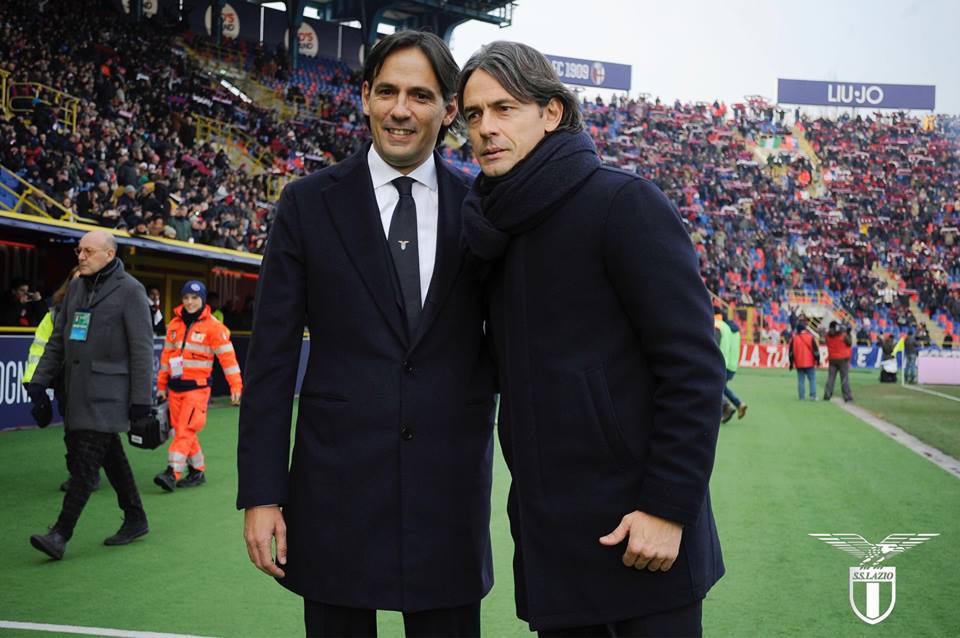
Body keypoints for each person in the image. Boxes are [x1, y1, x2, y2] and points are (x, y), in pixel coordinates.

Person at [459, 41, 725, 636]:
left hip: (642, 533)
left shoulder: (623, 202)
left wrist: (666, 508)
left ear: (551, 112)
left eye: (504, 108)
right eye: (473, 114)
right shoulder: (489, 228)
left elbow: (693, 369)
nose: (485, 128)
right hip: (552, 543)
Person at [236, 30, 497, 637]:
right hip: (334, 492)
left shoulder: (484, 207)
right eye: (387, 92)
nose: (400, 109)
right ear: (364, 97)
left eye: (420, 96)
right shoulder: (306, 204)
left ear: (448, 110)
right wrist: (262, 494)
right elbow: (271, 361)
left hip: (449, 495)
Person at [25, 230, 153, 560]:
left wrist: (142, 401)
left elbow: (141, 350)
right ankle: (136, 517)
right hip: (77, 391)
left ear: (109, 255)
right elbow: (57, 340)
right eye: (79, 251)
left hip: (110, 394)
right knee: (110, 455)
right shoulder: (77, 287)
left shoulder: (131, 291)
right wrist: (39, 382)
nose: (81, 256)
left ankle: (60, 534)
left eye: (88, 251)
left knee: (84, 465)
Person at [154, 280, 242, 491]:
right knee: (182, 431)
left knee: (185, 430)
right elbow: (166, 358)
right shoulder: (174, 325)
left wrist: (236, 386)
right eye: (186, 297)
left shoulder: (215, 327)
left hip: (198, 390)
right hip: (175, 389)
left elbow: (228, 360)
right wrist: (161, 385)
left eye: (195, 298)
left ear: (202, 300)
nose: (190, 302)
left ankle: (172, 472)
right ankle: (197, 470)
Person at [22, 267, 102, 492]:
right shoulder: (55, 314)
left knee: (95, 431)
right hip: (66, 382)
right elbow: (40, 348)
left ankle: (88, 471)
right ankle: (80, 472)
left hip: (96, 381)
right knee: (73, 430)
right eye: (75, 280)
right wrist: (34, 385)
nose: (80, 285)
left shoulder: (105, 310)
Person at [715, 314, 747, 422]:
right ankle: (738, 404)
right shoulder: (733, 330)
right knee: (722, 387)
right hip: (732, 364)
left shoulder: (721, 328)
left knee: (717, 387)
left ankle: (727, 406)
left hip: (724, 363)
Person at [788, 315, 820, 400]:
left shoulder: (794, 339)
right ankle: (813, 396)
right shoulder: (810, 337)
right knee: (812, 379)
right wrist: (818, 360)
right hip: (810, 363)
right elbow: (816, 351)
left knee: (801, 380)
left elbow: (790, 353)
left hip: (799, 363)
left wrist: (791, 363)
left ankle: (801, 397)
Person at [822, 321, 853, 402]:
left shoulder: (827, 336)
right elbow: (849, 343)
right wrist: (848, 333)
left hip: (832, 359)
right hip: (843, 359)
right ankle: (847, 396)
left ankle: (827, 394)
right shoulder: (843, 335)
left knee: (831, 378)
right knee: (844, 378)